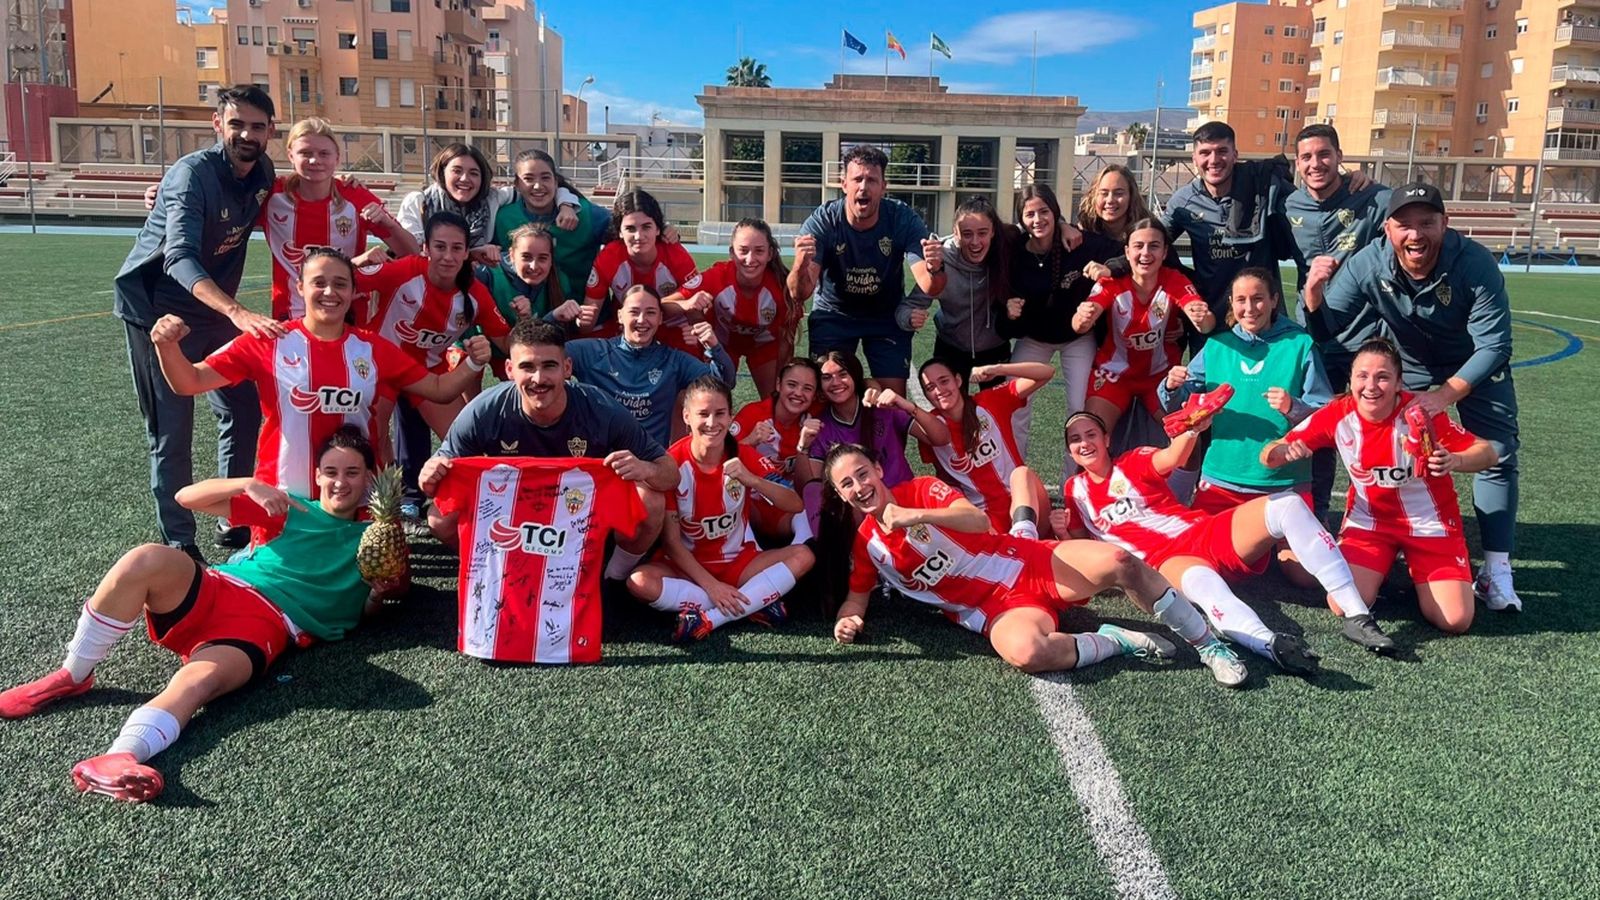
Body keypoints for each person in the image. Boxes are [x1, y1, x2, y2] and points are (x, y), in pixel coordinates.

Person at [0, 427, 396, 803]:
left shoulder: (379, 538)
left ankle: (120, 757)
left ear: (368, 479)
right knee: (144, 558)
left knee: (199, 681)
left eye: (352, 472)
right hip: (219, 587)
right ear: (317, 475)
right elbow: (187, 498)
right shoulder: (294, 509)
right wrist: (247, 484)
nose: (340, 482)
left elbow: (369, 609)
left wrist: (378, 597)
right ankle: (73, 673)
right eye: (331, 471)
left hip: (267, 623)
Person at [820, 444, 1248, 685]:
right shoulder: (867, 546)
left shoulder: (920, 489)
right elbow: (857, 598)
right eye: (847, 484)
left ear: (878, 468)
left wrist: (916, 515)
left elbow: (977, 520)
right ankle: (1117, 640)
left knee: (1120, 561)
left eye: (862, 473)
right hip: (993, 610)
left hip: (1027, 562)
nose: (859, 486)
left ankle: (1206, 643)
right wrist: (849, 622)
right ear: (841, 495)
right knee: (1026, 652)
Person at [1302, 182, 1524, 611]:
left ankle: (1496, 569)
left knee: (1497, 452)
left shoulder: (1474, 262)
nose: (1415, 234)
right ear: (1388, 228)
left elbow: (1495, 346)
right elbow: (1329, 327)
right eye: (1404, 225)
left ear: (1446, 223)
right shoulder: (1370, 262)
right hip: (1415, 364)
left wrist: (1445, 395)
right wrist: (1313, 299)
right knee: (1405, 452)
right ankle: (1403, 542)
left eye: (1426, 223)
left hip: (1476, 364)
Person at [1058, 410, 1395, 672]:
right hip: (1163, 563)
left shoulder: (1131, 460)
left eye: (1091, 434)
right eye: (1075, 439)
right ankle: (1269, 644)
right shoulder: (1075, 491)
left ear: (1105, 438)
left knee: (1288, 504)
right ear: (1071, 451)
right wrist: (1060, 530)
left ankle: (1357, 615)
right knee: (1203, 586)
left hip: (1202, 532)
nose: (1084, 443)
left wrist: (1192, 429)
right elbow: (1080, 540)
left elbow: (1172, 457)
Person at [149, 247, 492, 497]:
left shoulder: (373, 348)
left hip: (356, 501)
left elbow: (437, 388)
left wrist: (475, 363)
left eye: (341, 284)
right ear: (300, 288)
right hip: (285, 498)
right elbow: (189, 381)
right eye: (319, 283)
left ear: (354, 291)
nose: (330, 292)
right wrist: (167, 345)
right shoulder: (270, 340)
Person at [114, 85, 281, 562]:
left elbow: (288, 205)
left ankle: (232, 513)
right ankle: (181, 541)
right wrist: (236, 310)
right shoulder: (191, 176)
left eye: (256, 126)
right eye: (236, 124)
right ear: (217, 125)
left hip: (213, 308)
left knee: (243, 408)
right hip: (158, 312)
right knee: (172, 428)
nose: (246, 134)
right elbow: (179, 257)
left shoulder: (263, 172)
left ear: (270, 131)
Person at [1262, 339, 1501, 634]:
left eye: (1383, 377)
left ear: (1399, 382)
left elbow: (1488, 452)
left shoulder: (1420, 412)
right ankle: (1384, 567)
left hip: (1430, 525)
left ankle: (1421, 571)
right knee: (1341, 603)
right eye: (1362, 376)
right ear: (1351, 380)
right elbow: (1269, 455)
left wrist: (1455, 460)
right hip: (1369, 525)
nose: (1371, 386)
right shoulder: (1338, 414)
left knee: (1455, 620)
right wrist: (1285, 453)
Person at [418, 319, 676, 584]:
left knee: (652, 502)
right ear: (509, 370)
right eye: (527, 367)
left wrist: (645, 468)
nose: (539, 379)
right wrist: (429, 475)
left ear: (567, 367)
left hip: (580, 510)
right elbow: (440, 471)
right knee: (440, 519)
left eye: (549, 366)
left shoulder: (600, 408)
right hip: (514, 509)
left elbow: (670, 474)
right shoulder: (485, 410)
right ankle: (494, 570)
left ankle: (614, 577)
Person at [1159, 268, 1331, 586]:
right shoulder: (1216, 346)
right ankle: (1259, 548)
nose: (1249, 308)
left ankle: (1336, 546)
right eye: (1241, 300)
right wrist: (1171, 386)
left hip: (1284, 487)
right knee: (1201, 562)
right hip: (1223, 483)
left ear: (1274, 300)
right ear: (1231, 304)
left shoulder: (1300, 344)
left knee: (1305, 577)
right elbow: (1179, 408)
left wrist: (1295, 408)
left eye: (1258, 299)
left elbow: (1326, 417)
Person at [627, 377, 815, 641]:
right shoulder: (672, 463)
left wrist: (754, 480)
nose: (712, 423)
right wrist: (712, 586)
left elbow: (794, 504)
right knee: (639, 582)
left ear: (730, 417)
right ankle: (754, 601)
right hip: (687, 568)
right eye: (703, 414)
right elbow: (671, 543)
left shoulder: (743, 454)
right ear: (686, 416)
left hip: (739, 563)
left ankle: (709, 618)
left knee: (804, 556)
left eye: (720, 414)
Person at [359, 211, 512, 514]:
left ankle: (487, 509)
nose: (448, 256)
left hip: (428, 375)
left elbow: (506, 341)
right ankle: (386, 509)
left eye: (457, 248)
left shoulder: (475, 293)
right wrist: (358, 261)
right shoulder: (402, 271)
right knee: (372, 441)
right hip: (380, 370)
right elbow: (341, 280)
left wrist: (528, 321)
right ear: (426, 249)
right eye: (440, 247)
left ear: (467, 252)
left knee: (464, 442)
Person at [1284, 123, 1392, 526]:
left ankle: (1380, 516)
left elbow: (1406, 214)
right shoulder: (1288, 205)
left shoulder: (1372, 197)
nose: (1316, 164)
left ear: (1340, 156)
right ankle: (1319, 515)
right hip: (1313, 335)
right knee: (1318, 426)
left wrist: (1369, 181)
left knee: (1377, 427)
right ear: (1297, 164)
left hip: (1368, 337)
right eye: (1307, 157)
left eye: (1324, 154)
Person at [788, 145, 943, 395]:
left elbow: (930, 285)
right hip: (834, 313)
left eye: (871, 180)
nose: (863, 186)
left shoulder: (902, 218)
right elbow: (800, 293)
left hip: (885, 315)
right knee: (827, 394)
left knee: (893, 402)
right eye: (857, 179)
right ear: (844, 184)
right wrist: (799, 264)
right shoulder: (823, 221)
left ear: (883, 186)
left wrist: (935, 267)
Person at [1001, 182, 1120, 466]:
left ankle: (1076, 485)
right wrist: (1007, 307)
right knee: (1013, 403)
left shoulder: (1079, 242)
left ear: (1055, 212)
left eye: (1044, 212)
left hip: (1078, 337)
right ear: (1022, 220)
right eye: (1030, 214)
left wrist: (1110, 268)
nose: (1038, 219)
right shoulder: (1015, 248)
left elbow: (1125, 251)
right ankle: (1013, 480)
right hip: (1033, 338)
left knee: (1082, 409)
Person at [260, 117, 419, 321]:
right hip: (291, 317)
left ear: (337, 158)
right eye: (305, 153)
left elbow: (411, 252)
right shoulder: (271, 196)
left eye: (324, 154)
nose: (315, 160)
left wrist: (389, 224)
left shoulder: (356, 196)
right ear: (291, 155)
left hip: (348, 316)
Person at [1072, 219, 1214, 436]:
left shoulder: (1174, 280)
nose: (1146, 253)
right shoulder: (1110, 283)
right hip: (1113, 375)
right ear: (1127, 252)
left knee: (1186, 434)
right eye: (1138, 246)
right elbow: (1079, 325)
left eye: (1154, 246)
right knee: (1092, 434)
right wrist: (1082, 317)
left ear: (1165, 252)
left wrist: (1202, 317)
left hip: (1160, 377)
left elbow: (1205, 325)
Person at [1160, 121, 1297, 329]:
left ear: (1235, 155)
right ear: (1194, 159)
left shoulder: (1262, 186)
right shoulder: (1183, 201)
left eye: (1222, 151)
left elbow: (1310, 203)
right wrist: (1186, 279)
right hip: (1211, 319)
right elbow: (1152, 241)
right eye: (1205, 153)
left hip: (1262, 318)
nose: (1213, 160)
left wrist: (1348, 183)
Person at [796, 351, 951, 534]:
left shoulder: (882, 408)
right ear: (820, 387)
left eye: (843, 374)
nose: (836, 382)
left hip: (908, 502)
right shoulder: (821, 427)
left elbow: (941, 438)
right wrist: (803, 446)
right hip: (865, 516)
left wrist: (907, 406)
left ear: (855, 376)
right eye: (827, 377)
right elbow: (811, 489)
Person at [566, 284, 735, 447]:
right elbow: (543, 353)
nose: (642, 320)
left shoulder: (673, 361)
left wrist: (714, 347)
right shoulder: (592, 352)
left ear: (660, 318)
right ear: (620, 316)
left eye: (650, 313)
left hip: (649, 463)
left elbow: (724, 383)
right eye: (634, 312)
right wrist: (554, 317)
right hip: (599, 462)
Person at [914, 358, 1055, 538]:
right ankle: (1020, 544)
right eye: (930, 387)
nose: (939, 390)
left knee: (1021, 474)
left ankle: (1024, 535)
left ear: (958, 380)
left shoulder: (989, 401)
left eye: (944, 381)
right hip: (986, 520)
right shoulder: (932, 429)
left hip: (1026, 502)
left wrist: (998, 368)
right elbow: (944, 479)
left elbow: (1046, 372)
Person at [897, 196, 1013, 389]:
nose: (975, 242)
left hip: (995, 348)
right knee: (950, 414)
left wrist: (1065, 227)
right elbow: (908, 306)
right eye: (967, 234)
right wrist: (909, 317)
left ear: (993, 232)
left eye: (982, 233)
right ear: (955, 233)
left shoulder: (1006, 251)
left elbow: (1040, 228)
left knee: (998, 414)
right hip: (951, 347)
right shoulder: (942, 260)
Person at [690, 218, 803, 397]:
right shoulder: (717, 276)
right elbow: (667, 304)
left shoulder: (782, 287)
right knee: (709, 399)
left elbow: (785, 342)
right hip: (721, 345)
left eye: (759, 251)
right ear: (732, 253)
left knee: (775, 401)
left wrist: (781, 379)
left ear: (770, 253)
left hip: (763, 346)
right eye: (743, 250)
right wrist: (688, 305)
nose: (750, 259)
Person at [581, 189, 704, 353]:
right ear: (619, 231)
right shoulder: (609, 257)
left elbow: (695, 309)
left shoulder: (676, 255)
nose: (639, 236)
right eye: (630, 228)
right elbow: (588, 321)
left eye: (646, 227)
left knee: (695, 343)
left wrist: (694, 329)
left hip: (670, 324)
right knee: (581, 347)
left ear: (658, 229)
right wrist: (582, 323)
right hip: (627, 325)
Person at [473, 223, 585, 383]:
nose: (534, 266)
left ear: (551, 259)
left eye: (542, 258)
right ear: (511, 255)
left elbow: (544, 344)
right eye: (526, 257)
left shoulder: (560, 282)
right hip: (476, 346)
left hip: (516, 350)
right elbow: (508, 347)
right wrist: (548, 317)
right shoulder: (487, 276)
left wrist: (574, 318)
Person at [731, 357, 824, 542]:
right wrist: (750, 441)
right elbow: (717, 457)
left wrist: (803, 446)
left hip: (789, 505)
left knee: (816, 508)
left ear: (815, 394)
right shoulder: (753, 414)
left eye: (807, 388)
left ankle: (804, 557)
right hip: (751, 504)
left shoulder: (816, 418)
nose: (798, 393)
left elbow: (808, 486)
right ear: (779, 385)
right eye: (792, 384)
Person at [491, 148, 606, 294]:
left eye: (545, 178)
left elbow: (625, 229)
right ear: (517, 184)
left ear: (556, 182)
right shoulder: (503, 218)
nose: (538, 186)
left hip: (585, 309)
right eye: (528, 179)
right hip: (525, 310)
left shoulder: (587, 214)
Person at [397, 143, 513, 266]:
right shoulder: (418, 202)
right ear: (442, 172)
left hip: (476, 280)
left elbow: (527, 190)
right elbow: (409, 254)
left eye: (473, 173)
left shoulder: (492, 198)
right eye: (457, 171)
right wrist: (470, 256)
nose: (464, 179)